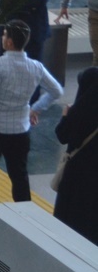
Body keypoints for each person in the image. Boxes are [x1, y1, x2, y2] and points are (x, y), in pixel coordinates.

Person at [0, 20, 63, 206]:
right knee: (19, 176)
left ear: (9, 42)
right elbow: (57, 91)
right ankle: (24, 211)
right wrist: (35, 108)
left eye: (4, 35)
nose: (2, 38)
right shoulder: (36, 67)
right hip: (20, 130)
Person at [54, 67, 98, 246]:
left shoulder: (81, 111)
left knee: (70, 225)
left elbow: (63, 135)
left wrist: (65, 116)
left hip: (77, 180)